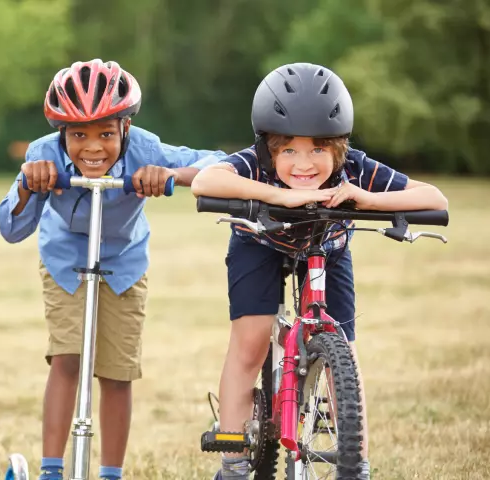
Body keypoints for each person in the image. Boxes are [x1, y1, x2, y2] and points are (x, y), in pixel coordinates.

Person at [191, 62, 448, 480]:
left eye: (318, 150)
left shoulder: (356, 167)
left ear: (338, 147)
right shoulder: (254, 162)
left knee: (343, 345)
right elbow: (206, 181)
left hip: (327, 250)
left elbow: (434, 197)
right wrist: (278, 196)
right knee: (251, 341)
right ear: (269, 148)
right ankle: (234, 462)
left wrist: (364, 199)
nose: (303, 164)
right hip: (260, 242)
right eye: (288, 150)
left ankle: (355, 463)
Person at [0, 59, 222, 480]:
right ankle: (51, 471)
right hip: (65, 258)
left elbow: (220, 164)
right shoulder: (42, 154)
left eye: (106, 133)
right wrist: (28, 185)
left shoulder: (147, 149)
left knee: (118, 372)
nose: (93, 147)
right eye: (78, 135)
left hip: (124, 263)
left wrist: (171, 173)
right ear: (61, 133)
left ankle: (110, 474)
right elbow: (11, 229)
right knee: (68, 358)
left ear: (126, 129)